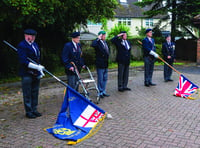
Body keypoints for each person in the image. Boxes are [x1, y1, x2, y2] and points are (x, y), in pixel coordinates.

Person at [17, 29, 45, 118]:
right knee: (27, 93)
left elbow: (37, 58)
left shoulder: (35, 44)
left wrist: (39, 68)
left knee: (35, 92)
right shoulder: (22, 45)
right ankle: (29, 111)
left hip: (35, 73)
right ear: (26, 35)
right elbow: (23, 61)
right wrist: (36, 67)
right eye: (31, 36)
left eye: (34, 36)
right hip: (26, 73)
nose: (33, 38)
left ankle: (34, 109)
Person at [91, 31, 110, 98]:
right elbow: (93, 45)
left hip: (105, 63)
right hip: (100, 63)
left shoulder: (105, 42)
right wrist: (98, 38)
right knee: (100, 78)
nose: (105, 36)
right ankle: (100, 92)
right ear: (100, 36)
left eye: (105, 35)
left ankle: (103, 91)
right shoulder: (97, 43)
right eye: (103, 35)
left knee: (105, 78)